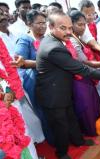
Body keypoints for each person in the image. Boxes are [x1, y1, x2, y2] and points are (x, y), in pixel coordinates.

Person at [35, 11, 100, 159]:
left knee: (71, 117)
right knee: (60, 126)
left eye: (70, 28)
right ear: (51, 27)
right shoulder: (53, 48)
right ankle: (61, 153)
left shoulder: (55, 41)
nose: (69, 32)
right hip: (53, 96)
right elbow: (81, 69)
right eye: (63, 28)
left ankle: (78, 140)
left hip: (61, 90)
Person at [14, 9, 53, 144]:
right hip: (34, 81)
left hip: (49, 80)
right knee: (44, 111)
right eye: (39, 23)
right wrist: (44, 64)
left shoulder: (46, 38)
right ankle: (52, 139)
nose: (43, 26)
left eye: (44, 22)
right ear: (29, 24)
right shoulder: (24, 39)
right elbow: (19, 61)